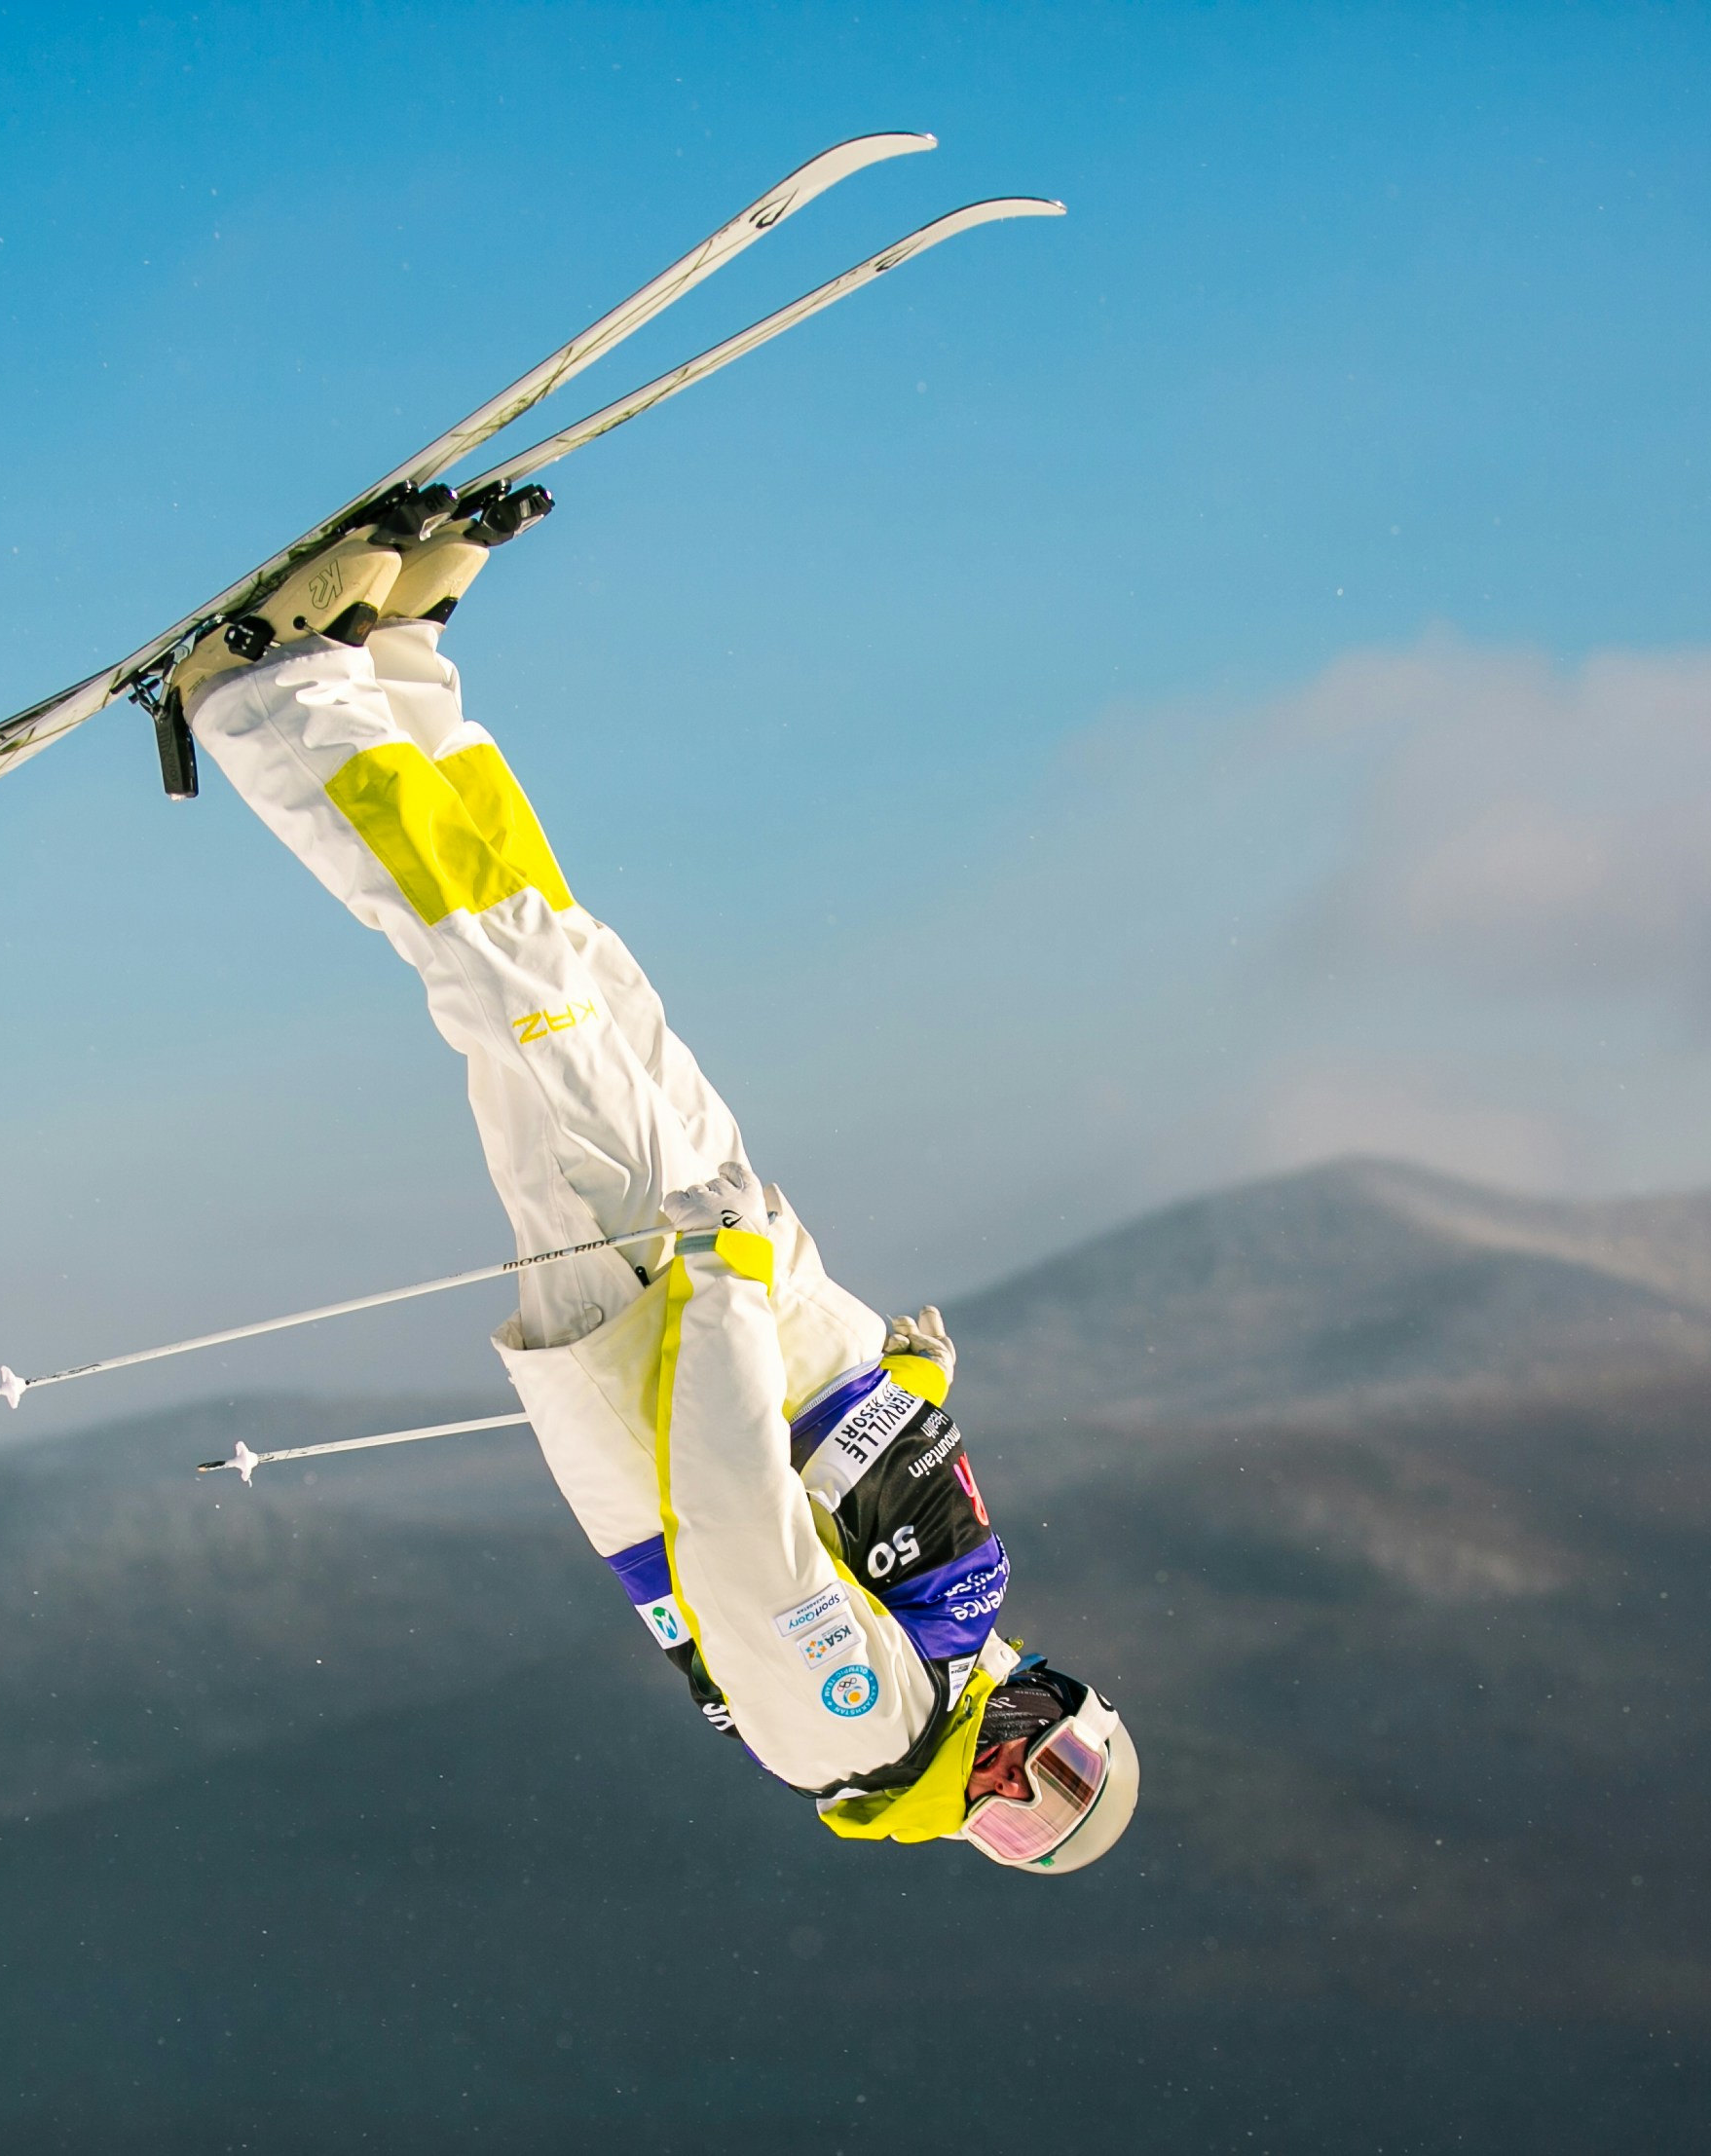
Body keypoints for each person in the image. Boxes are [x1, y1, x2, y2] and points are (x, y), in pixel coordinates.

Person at [169, 484, 1138, 1873]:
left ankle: (263, 698)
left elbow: (736, 1512)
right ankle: (395, 678)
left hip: (664, 1314)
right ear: (1075, 1704)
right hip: (722, 1272)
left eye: (1017, 1815)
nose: (1012, 1775)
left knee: (516, 984)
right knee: (574, 962)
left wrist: (728, 1289)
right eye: (1057, 1766)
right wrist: (899, 1388)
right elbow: (838, 1499)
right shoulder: (953, 1657)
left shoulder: (857, 1735)